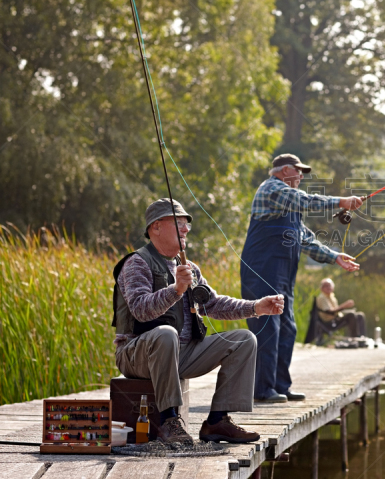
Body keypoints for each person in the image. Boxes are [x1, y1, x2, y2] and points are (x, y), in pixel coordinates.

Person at [113, 198, 285, 444]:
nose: (186, 230)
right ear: (156, 227)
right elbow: (141, 310)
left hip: (182, 355)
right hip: (136, 355)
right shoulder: (136, 263)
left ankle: (217, 421)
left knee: (244, 339)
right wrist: (176, 290)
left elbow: (214, 304)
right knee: (165, 333)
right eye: (179, 223)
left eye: (187, 225)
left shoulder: (189, 267)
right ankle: (170, 421)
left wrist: (256, 307)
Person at [241, 154, 363, 403]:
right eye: (299, 172)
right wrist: (342, 202)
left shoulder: (289, 205)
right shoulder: (273, 189)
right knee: (269, 328)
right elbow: (305, 201)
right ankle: (263, 390)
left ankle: (280, 387)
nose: (301, 177)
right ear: (285, 170)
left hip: (283, 276)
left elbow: (305, 238)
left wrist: (334, 257)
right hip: (262, 271)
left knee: (287, 328)